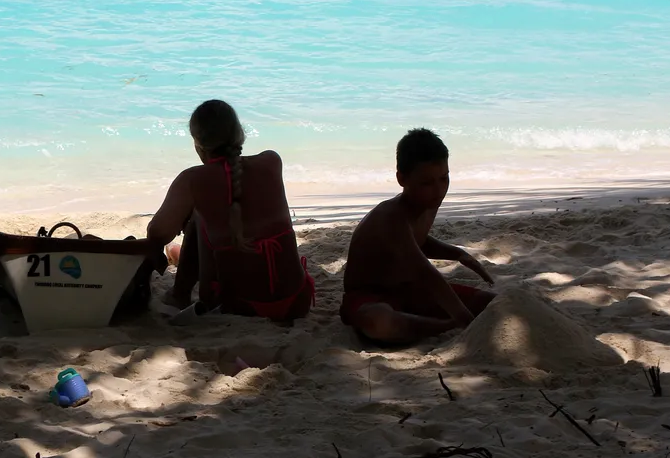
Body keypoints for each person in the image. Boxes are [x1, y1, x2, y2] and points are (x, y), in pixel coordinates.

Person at [146, 99, 315, 321]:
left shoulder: (193, 179)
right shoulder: (272, 161)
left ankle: (179, 293)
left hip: (235, 305)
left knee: (198, 217)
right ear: (240, 134)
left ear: (197, 143)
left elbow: (157, 233)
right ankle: (177, 255)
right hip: (295, 301)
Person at [339, 128, 495, 344]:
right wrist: (464, 320)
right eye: (427, 183)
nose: (439, 190)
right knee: (380, 323)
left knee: (492, 302)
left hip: (408, 290)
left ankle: (441, 323)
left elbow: (416, 242)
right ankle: (446, 326)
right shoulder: (390, 216)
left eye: (444, 178)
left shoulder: (427, 202)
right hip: (369, 296)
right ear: (402, 179)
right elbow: (424, 271)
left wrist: (457, 253)